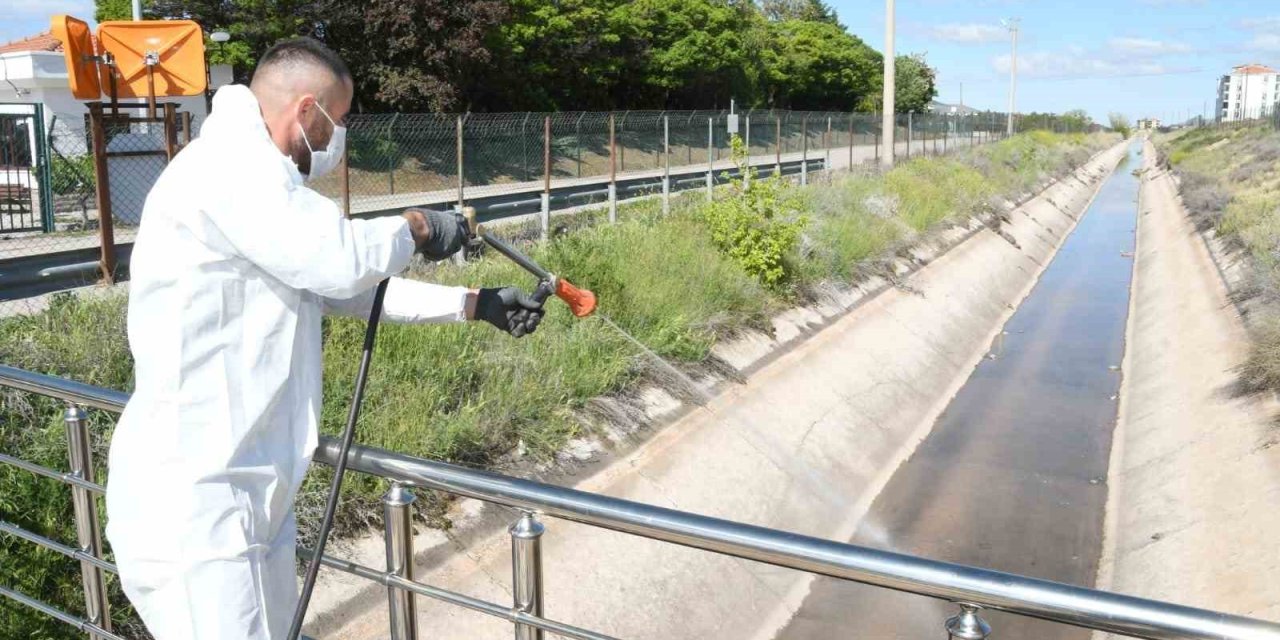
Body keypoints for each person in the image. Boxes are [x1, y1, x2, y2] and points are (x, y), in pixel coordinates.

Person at [104, 38, 544, 639]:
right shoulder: (230, 169)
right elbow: (338, 260)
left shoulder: (264, 190)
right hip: (199, 505)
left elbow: (340, 287)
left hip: (247, 493)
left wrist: (475, 304)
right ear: (306, 112)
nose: (339, 137)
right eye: (338, 121)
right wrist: (415, 227)